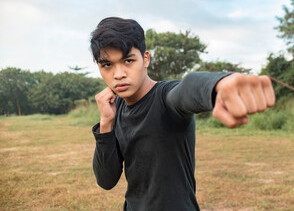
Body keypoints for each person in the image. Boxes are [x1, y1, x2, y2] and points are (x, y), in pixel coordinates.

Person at [90, 17, 275, 211]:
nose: (118, 74)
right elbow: (106, 180)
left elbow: (187, 89)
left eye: (128, 61)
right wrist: (106, 122)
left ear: (145, 59)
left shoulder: (166, 97)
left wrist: (218, 85)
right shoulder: (116, 108)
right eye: (107, 65)